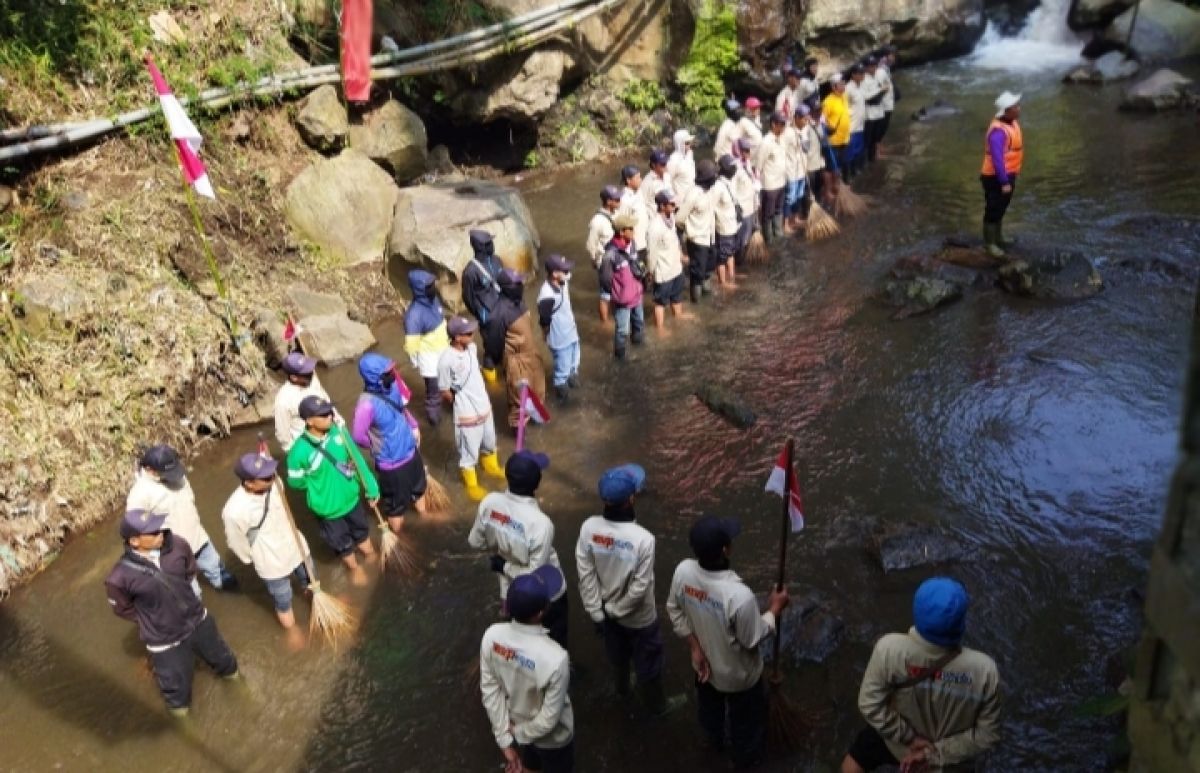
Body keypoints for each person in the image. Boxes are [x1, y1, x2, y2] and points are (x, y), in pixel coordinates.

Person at [840, 577, 1002, 773]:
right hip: (947, 761)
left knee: (854, 763)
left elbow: (869, 704)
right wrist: (933, 754)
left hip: (898, 745)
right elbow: (988, 735)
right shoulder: (985, 670)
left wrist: (910, 738)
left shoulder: (890, 649)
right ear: (961, 623)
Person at [666, 516, 790, 770]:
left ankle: (715, 744)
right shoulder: (738, 596)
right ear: (725, 550)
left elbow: (674, 610)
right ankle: (744, 760)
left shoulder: (683, 572)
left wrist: (695, 647)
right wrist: (774, 610)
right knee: (746, 726)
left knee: (710, 715)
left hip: (704, 669)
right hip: (740, 679)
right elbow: (752, 638)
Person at [576, 464, 686, 716]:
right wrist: (617, 610)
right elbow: (640, 588)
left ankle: (622, 691)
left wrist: (597, 612)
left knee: (618, 657)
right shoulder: (643, 539)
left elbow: (586, 574)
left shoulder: (589, 528)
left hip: (605, 612)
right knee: (649, 663)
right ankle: (657, 707)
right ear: (631, 499)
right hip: (639, 618)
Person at [105, 508, 239, 716]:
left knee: (226, 662)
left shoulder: (178, 545)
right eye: (153, 532)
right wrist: (156, 619)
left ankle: (242, 692)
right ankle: (185, 727)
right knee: (177, 693)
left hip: (198, 621)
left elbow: (189, 572)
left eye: (160, 527)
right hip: (165, 641)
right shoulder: (119, 578)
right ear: (134, 541)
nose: (161, 533)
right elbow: (123, 608)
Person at [469, 451, 569, 650]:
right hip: (546, 594)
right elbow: (535, 575)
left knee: (522, 641)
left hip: (510, 591)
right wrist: (506, 565)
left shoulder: (489, 502)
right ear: (537, 484)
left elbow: (475, 542)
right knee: (555, 644)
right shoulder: (541, 524)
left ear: (507, 476)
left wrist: (501, 553)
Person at [479, 566, 575, 773]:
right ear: (541, 612)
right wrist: (521, 732)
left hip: (518, 725)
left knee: (530, 767)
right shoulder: (556, 658)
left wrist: (505, 739)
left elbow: (490, 690)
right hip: (553, 740)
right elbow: (549, 719)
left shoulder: (492, 636)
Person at [285, 395, 377, 587]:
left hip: (351, 499)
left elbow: (357, 461)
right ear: (309, 421)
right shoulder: (298, 452)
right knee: (343, 544)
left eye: (329, 412)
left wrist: (370, 487)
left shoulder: (340, 433)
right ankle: (355, 568)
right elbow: (295, 482)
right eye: (323, 414)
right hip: (328, 510)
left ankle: (370, 555)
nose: (330, 416)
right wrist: (317, 486)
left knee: (362, 531)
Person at [221, 452, 310, 644]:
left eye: (272, 473)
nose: (272, 477)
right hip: (271, 560)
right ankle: (292, 629)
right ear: (249, 483)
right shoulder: (234, 510)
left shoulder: (276, 484)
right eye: (265, 477)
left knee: (310, 578)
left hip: (296, 546)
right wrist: (254, 558)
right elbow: (236, 543)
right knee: (283, 598)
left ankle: (315, 603)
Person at [128, 444, 235, 591]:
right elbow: (135, 528)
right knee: (191, 593)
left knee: (220, 574)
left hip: (198, 538)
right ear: (150, 470)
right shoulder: (139, 494)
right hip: (173, 550)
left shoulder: (178, 476)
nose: (175, 476)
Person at [351, 352, 428, 533]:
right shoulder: (365, 405)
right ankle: (400, 536)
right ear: (374, 378)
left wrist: (414, 426)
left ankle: (425, 517)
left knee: (420, 488)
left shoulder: (392, 386)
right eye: (387, 372)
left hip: (411, 451)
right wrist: (376, 445)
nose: (392, 374)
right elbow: (358, 436)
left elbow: (402, 408)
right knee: (395, 506)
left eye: (391, 370)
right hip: (392, 464)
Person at [438, 316, 503, 502]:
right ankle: (472, 486)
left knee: (490, 442)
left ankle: (491, 467)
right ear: (457, 337)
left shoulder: (472, 349)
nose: (472, 334)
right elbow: (444, 389)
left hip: (485, 408)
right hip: (467, 415)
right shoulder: (446, 360)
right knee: (469, 453)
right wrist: (459, 402)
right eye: (468, 333)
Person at [483, 269, 547, 429]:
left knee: (539, 394)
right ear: (506, 287)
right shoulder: (498, 313)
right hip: (516, 362)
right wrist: (499, 363)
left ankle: (539, 428)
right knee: (519, 404)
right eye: (517, 283)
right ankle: (519, 440)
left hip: (532, 355)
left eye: (520, 282)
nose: (521, 286)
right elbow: (493, 343)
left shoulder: (520, 302)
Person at [403, 269, 449, 426]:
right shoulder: (414, 315)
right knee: (434, 394)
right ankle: (435, 422)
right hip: (431, 362)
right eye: (428, 285)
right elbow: (411, 345)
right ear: (419, 289)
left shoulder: (434, 300)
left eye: (432, 284)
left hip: (445, 352)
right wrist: (417, 363)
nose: (432, 287)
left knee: (452, 384)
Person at [598, 214, 647, 360]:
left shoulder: (632, 244)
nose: (633, 231)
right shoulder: (610, 254)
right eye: (630, 229)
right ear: (621, 232)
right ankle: (620, 356)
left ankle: (639, 346)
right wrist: (618, 293)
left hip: (637, 294)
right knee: (622, 330)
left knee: (639, 321)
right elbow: (605, 279)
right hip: (623, 299)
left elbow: (638, 262)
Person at [981, 91, 1023, 258]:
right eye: (1015, 107)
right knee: (993, 208)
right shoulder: (997, 132)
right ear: (1006, 111)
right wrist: (1004, 181)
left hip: (1008, 174)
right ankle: (989, 244)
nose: (1019, 109)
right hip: (996, 177)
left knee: (1001, 207)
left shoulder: (1011, 123)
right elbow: (997, 159)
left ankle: (999, 237)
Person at [537, 253, 581, 405]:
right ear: (554, 274)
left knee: (574, 360)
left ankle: (572, 376)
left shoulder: (563, 282)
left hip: (571, 332)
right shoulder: (546, 296)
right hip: (560, 338)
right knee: (562, 369)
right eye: (564, 270)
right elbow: (544, 320)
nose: (568, 273)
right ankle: (561, 393)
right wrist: (545, 334)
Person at [461, 229, 503, 383]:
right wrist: (481, 313)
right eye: (488, 243)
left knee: (506, 344)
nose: (492, 245)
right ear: (480, 247)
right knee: (491, 351)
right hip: (488, 316)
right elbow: (468, 297)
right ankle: (492, 384)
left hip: (503, 311)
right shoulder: (470, 271)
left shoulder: (497, 261)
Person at [646, 189, 692, 329]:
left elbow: (675, 241)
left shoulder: (670, 218)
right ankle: (659, 328)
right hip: (663, 271)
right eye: (671, 204)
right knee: (660, 302)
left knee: (676, 296)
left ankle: (678, 315)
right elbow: (651, 253)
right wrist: (651, 271)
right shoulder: (654, 227)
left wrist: (681, 255)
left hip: (675, 267)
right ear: (662, 206)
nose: (674, 206)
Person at [274, 351, 337, 452]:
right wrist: (295, 453)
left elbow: (325, 398)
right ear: (294, 377)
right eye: (306, 372)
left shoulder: (312, 379)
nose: (311, 372)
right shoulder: (283, 401)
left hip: (330, 434)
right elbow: (282, 434)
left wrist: (339, 422)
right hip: (310, 446)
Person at [677, 159, 718, 304]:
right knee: (697, 273)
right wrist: (687, 235)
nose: (715, 178)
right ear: (707, 178)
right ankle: (696, 301)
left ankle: (706, 295)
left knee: (709, 267)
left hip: (710, 237)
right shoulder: (693, 194)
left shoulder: (711, 191)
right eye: (713, 175)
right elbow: (680, 218)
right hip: (697, 240)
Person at [586, 185, 621, 323]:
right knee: (605, 294)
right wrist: (596, 261)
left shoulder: (616, 214)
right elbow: (590, 245)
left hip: (618, 259)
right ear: (608, 202)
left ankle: (616, 314)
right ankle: (605, 322)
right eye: (616, 199)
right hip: (605, 262)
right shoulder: (597, 222)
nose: (619, 201)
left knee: (617, 289)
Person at [754, 112, 789, 244]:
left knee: (779, 209)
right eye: (781, 124)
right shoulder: (766, 142)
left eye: (784, 124)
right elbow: (759, 166)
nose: (783, 127)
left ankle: (778, 233)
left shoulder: (781, 139)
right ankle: (769, 238)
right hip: (770, 185)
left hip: (781, 182)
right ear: (773, 124)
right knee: (768, 213)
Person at [713, 155, 743, 288]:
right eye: (731, 167)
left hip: (733, 226)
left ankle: (732, 276)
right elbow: (711, 206)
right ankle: (723, 283)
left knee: (731, 253)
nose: (734, 169)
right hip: (723, 227)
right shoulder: (718, 186)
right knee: (722, 257)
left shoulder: (729, 182)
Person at [783, 107, 811, 234]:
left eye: (807, 118)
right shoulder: (788, 133)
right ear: (797, 118)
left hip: (801, 169)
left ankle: (795, 218)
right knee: (790, 198)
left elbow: (806, 148)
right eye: (804, 119)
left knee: (799, 196)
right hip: (791, 171)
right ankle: (786, 223)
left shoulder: (804, 130)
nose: (806, 121)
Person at [733, 137, 762, 255]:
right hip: (743, 209)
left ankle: (746, 257)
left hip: (751, 206)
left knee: (748, 236)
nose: (748, 153)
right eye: (745, 150)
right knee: (741, 239)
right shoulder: (735, 167)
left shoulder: (747, 164)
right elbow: (733, 189)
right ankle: (739, 262)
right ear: (738, 150)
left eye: (749, 150)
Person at [618, 164, 649, 266]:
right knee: (639, 273)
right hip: (636, 245)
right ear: (628, 180)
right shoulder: (624, 200)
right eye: (637, 178)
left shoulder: (639, 192)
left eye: (640, 177)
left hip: (646, 240)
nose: (640, 180)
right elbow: (622, 224)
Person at [822, 74, 852, 183]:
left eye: (844, 83)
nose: (843, 86)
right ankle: (831, 188)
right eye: (841, 84)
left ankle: (845, 185)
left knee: (845, 163)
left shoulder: (844, 97)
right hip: (833, 142)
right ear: (834, 87)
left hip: (845, 139)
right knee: (832, 167)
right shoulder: (827, 102)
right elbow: (822, 121)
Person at [861, 57, 886, 165]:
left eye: (875, 66)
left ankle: (874, 156)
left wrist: (882, 91)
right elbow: (866, 97)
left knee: (876, 136)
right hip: (870, 113)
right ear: (866, 68)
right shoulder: (864, 80)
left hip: (878, 111)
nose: (873, 68)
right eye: (871, 66)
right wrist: (880, 90)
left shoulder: (876, 77)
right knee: (868, 138)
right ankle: (866, 160)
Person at [845, 64, 868, 179]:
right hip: (851, 126)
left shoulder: (860, 86)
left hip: (860, 124)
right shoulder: (848, 88)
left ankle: (855, 170)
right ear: (853, 75)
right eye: (860, 73)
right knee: (850, 151)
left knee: (859, 149)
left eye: (863, 73)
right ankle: (848, 175)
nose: (862, 75)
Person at [876, 47, 898, 153]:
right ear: (886, 56)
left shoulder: (886, 68)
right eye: (892, 55)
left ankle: (879, 145)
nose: (894, 58)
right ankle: (877, 149)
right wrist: (884, 89)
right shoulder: (881, 70)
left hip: (887, 103)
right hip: (884, 105)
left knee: (884, 126)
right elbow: (877, 87)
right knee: (881, 127)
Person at [641, 148, 671, 219]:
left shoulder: (667, 176)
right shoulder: (647, 182)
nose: (666, 166)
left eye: (666, 163)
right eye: (663, 164)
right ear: (654, 165)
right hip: (655, 220)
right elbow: (643, 204)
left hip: (669, 217)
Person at [667, 128, 697, 201]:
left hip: (692, 197)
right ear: (679, 143)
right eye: (686, 143)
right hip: (680, 201)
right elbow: (667, 181)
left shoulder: (690, 154)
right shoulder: (673, 161)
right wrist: (673, 198)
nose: (689, 145)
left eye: (690, 142)